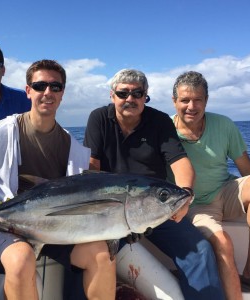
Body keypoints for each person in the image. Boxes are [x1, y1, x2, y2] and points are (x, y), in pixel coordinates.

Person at [0, 59, 116, 300]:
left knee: (102, 256)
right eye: (40, 86)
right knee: (21, 261)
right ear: (28, 91)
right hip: (7, 226)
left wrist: (121, 226)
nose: (48, 92)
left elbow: (82, 203)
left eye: (56, 87)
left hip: (57, 229)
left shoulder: (73, 147)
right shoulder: (0, 133)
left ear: (63, 94)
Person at [84, 68, 224, 299]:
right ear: (112, 95)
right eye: (123, 93)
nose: (130, 99)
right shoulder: (99, 118)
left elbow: (180, 162)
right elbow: (92, 167)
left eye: (137, 94)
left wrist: (185, 196)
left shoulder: (158, 120)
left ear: (145, 96)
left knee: (200, 251)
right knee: (95, 256)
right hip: (111, 211)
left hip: (155, 207)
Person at [171, 70, 250, 300]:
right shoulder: (164, 130)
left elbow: (246, 167)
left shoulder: (223, 124)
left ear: (206, 100)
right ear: (174, 101)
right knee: (223, 243)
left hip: (225, 192)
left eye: (198, 99)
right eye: (185, 100)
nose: (191, 106)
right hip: (193, 205)